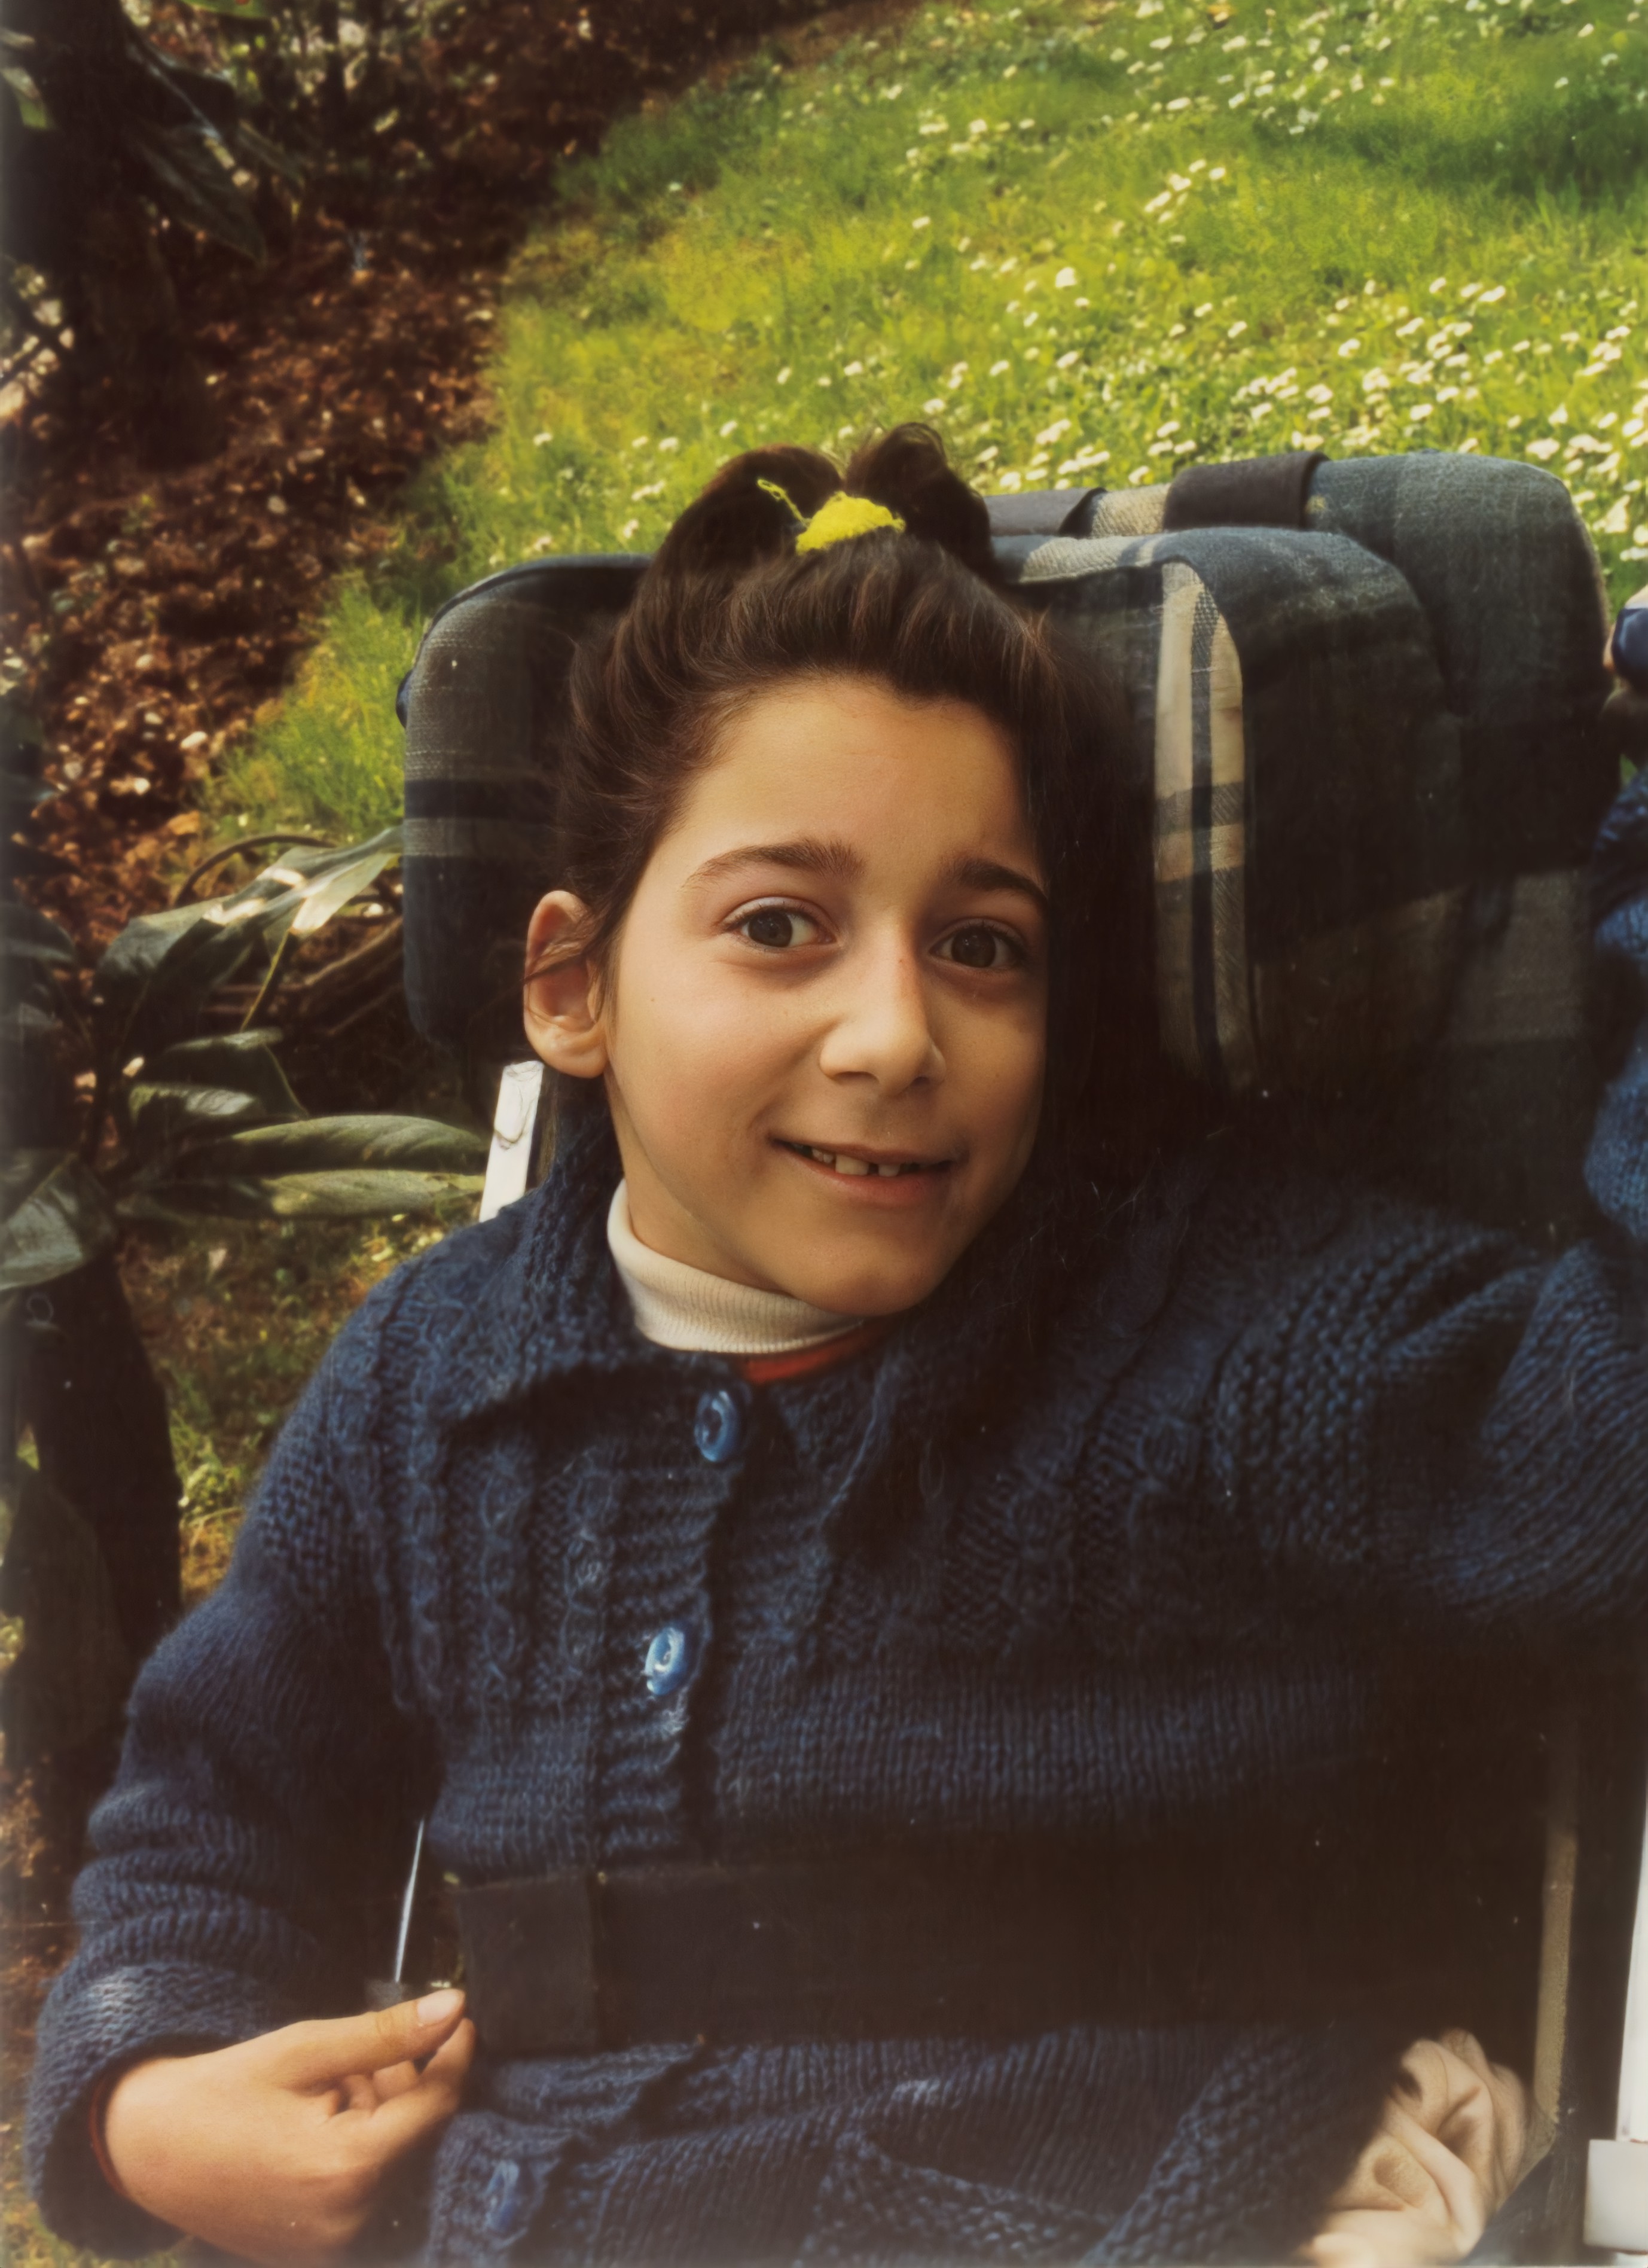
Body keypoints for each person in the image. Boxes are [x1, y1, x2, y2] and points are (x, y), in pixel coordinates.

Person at [23, 425, 1648, 2267]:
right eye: (780, 926)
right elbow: (214, 1806)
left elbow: (1602, 1454)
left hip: (1165, 2193)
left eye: (983, 946)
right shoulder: (431, 1386)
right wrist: (147, 2092)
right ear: (570, 985)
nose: (893, 1035)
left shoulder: (1213, 1326)